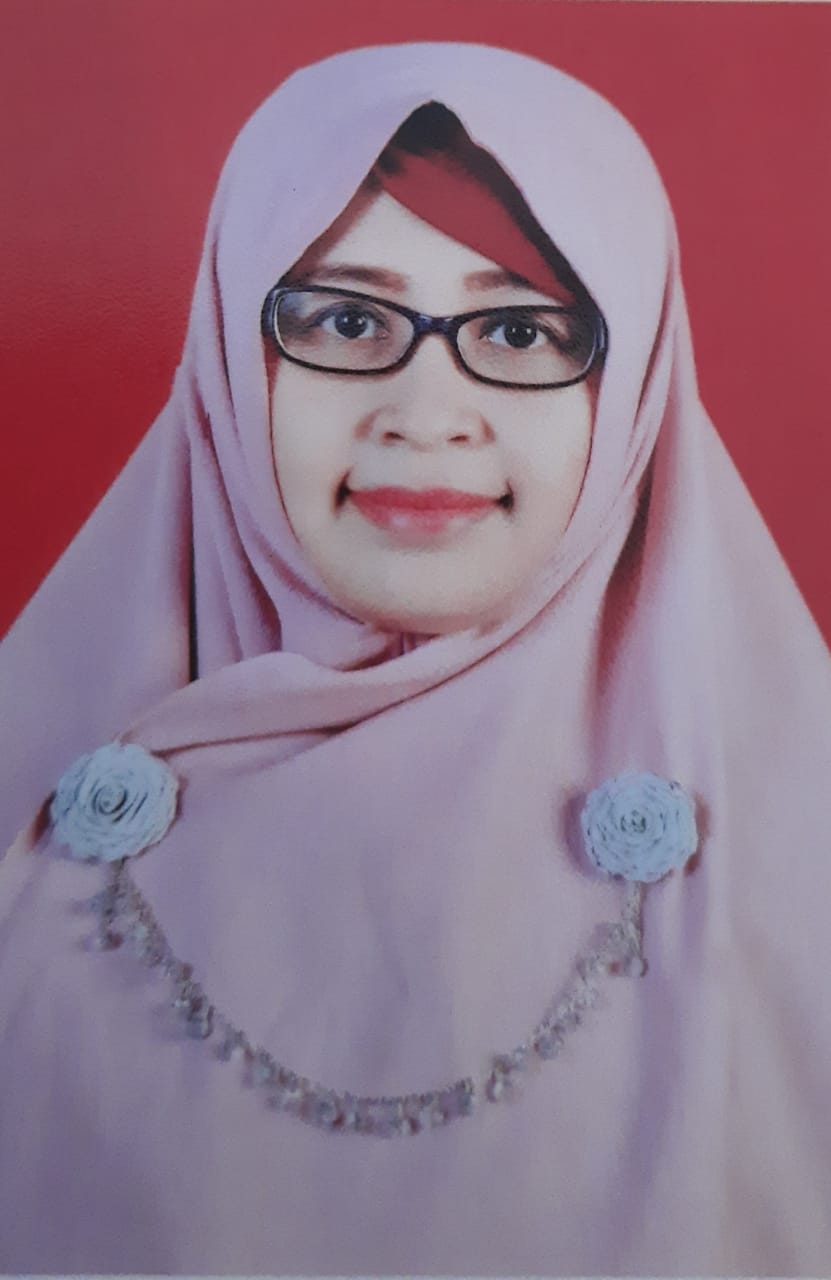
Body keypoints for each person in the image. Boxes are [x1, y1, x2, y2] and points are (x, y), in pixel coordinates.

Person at [1, 41, 830, 1276]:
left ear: (636, 384)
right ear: (230, 356)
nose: (427, 414)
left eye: (521, 328)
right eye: (346, 319)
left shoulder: (807, 855)